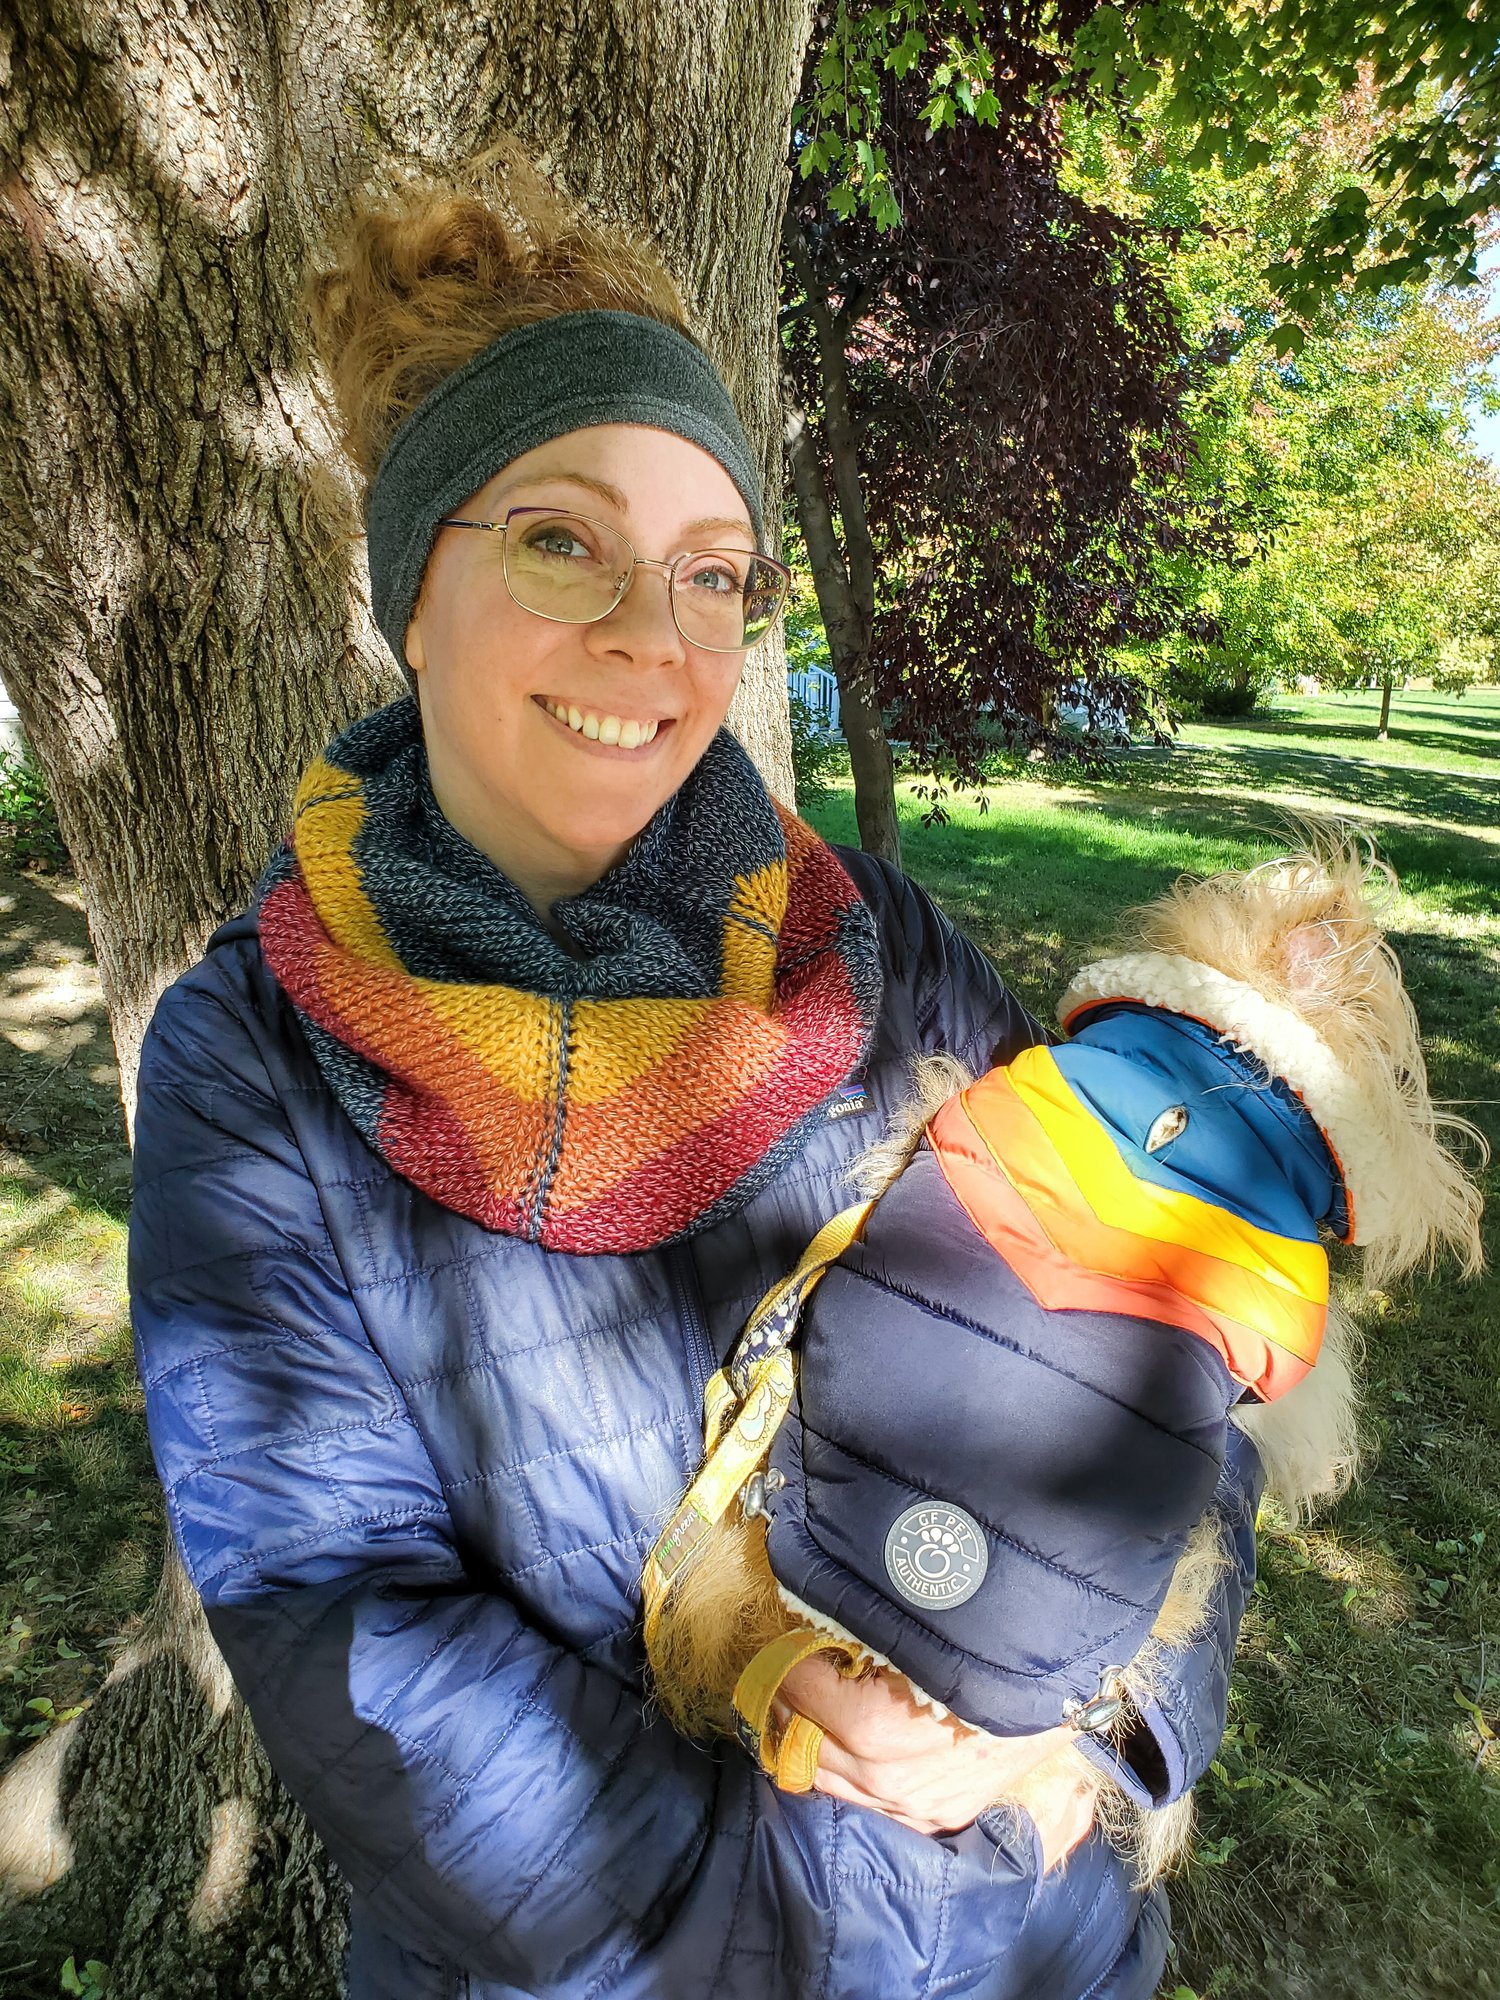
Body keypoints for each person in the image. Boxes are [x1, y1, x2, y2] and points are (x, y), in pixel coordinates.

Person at [129, 153, 1260, 2000]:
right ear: (411, 596)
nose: (655, 636)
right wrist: (898, 1880)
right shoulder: (255, 1062)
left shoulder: (882, 956)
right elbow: (348, 1628)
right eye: (561, 540)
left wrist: (1093, 1738)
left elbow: (1169, 1341)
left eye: (712, 571)